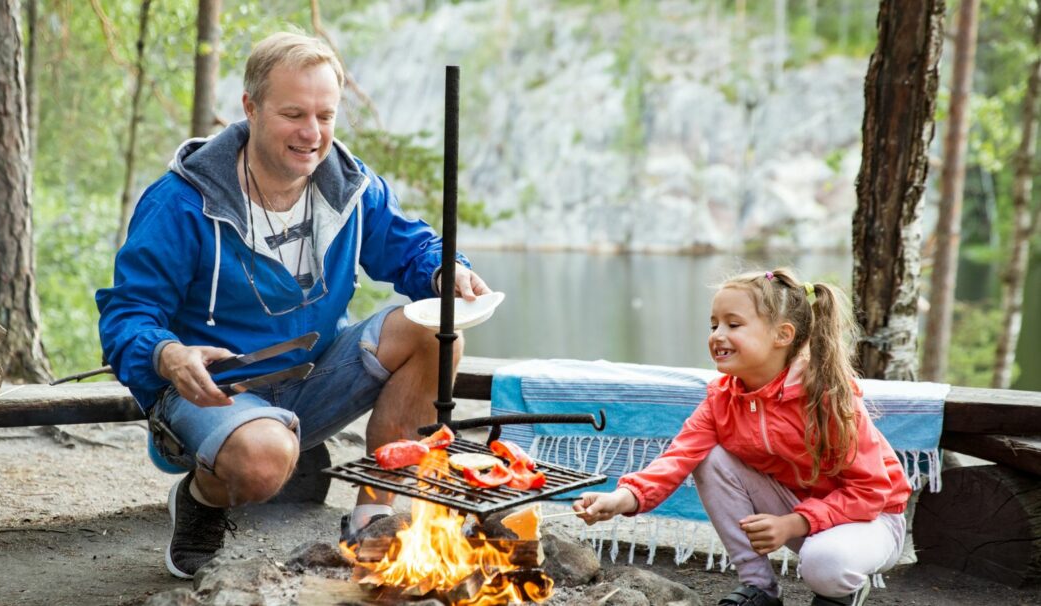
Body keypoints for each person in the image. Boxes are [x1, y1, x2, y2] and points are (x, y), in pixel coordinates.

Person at [96, 32, 490, 579]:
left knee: (434, 328)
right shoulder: (182, 202)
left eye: (325, 115)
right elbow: (126, 316)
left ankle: (373, 517)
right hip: (215, 391)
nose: (312, 134)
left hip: (314, 375)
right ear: (251, 108)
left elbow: (411, 246)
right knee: (262, 459)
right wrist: (166, 355)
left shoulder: (351, 186)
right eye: (293, 114)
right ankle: (203, 499)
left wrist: (445, 270)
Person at [573, 268, 910, 606]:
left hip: (871, 519)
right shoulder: (723, 398)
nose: (718, 335)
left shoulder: (828, 396)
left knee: (824, 565)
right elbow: (677, 458)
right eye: (714, 324)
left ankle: (842, 591)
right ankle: (759, 588)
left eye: (733, 325)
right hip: (801, 518)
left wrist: (795, 522)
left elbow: (872, 492)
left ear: (782, 335)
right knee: (709, 457)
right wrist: (621, 498)